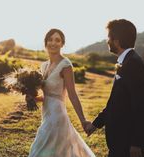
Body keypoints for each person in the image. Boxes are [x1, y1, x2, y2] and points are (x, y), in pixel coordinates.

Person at [85, 19, 144, 157]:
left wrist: (137, 143)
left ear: (117, 41)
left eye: (109, 37)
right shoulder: (127, 61)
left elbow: (141, 105)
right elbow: (116, 101)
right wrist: (96, 124)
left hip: (128, 144)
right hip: (119, 142)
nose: (107, 41)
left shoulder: (133, 64)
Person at [28, 28, 95, 157]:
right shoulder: (44, 66)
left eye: (57, 40)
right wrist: (33, 98)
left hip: (57, 115)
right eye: (50, 39)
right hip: (46, 114)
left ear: (62, 44)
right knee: (59, 151)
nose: (53, 43)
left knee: (38, 150)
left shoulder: (66, 65)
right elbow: (48, 95)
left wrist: (83, 120)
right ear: (46, 42)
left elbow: (72, 94)